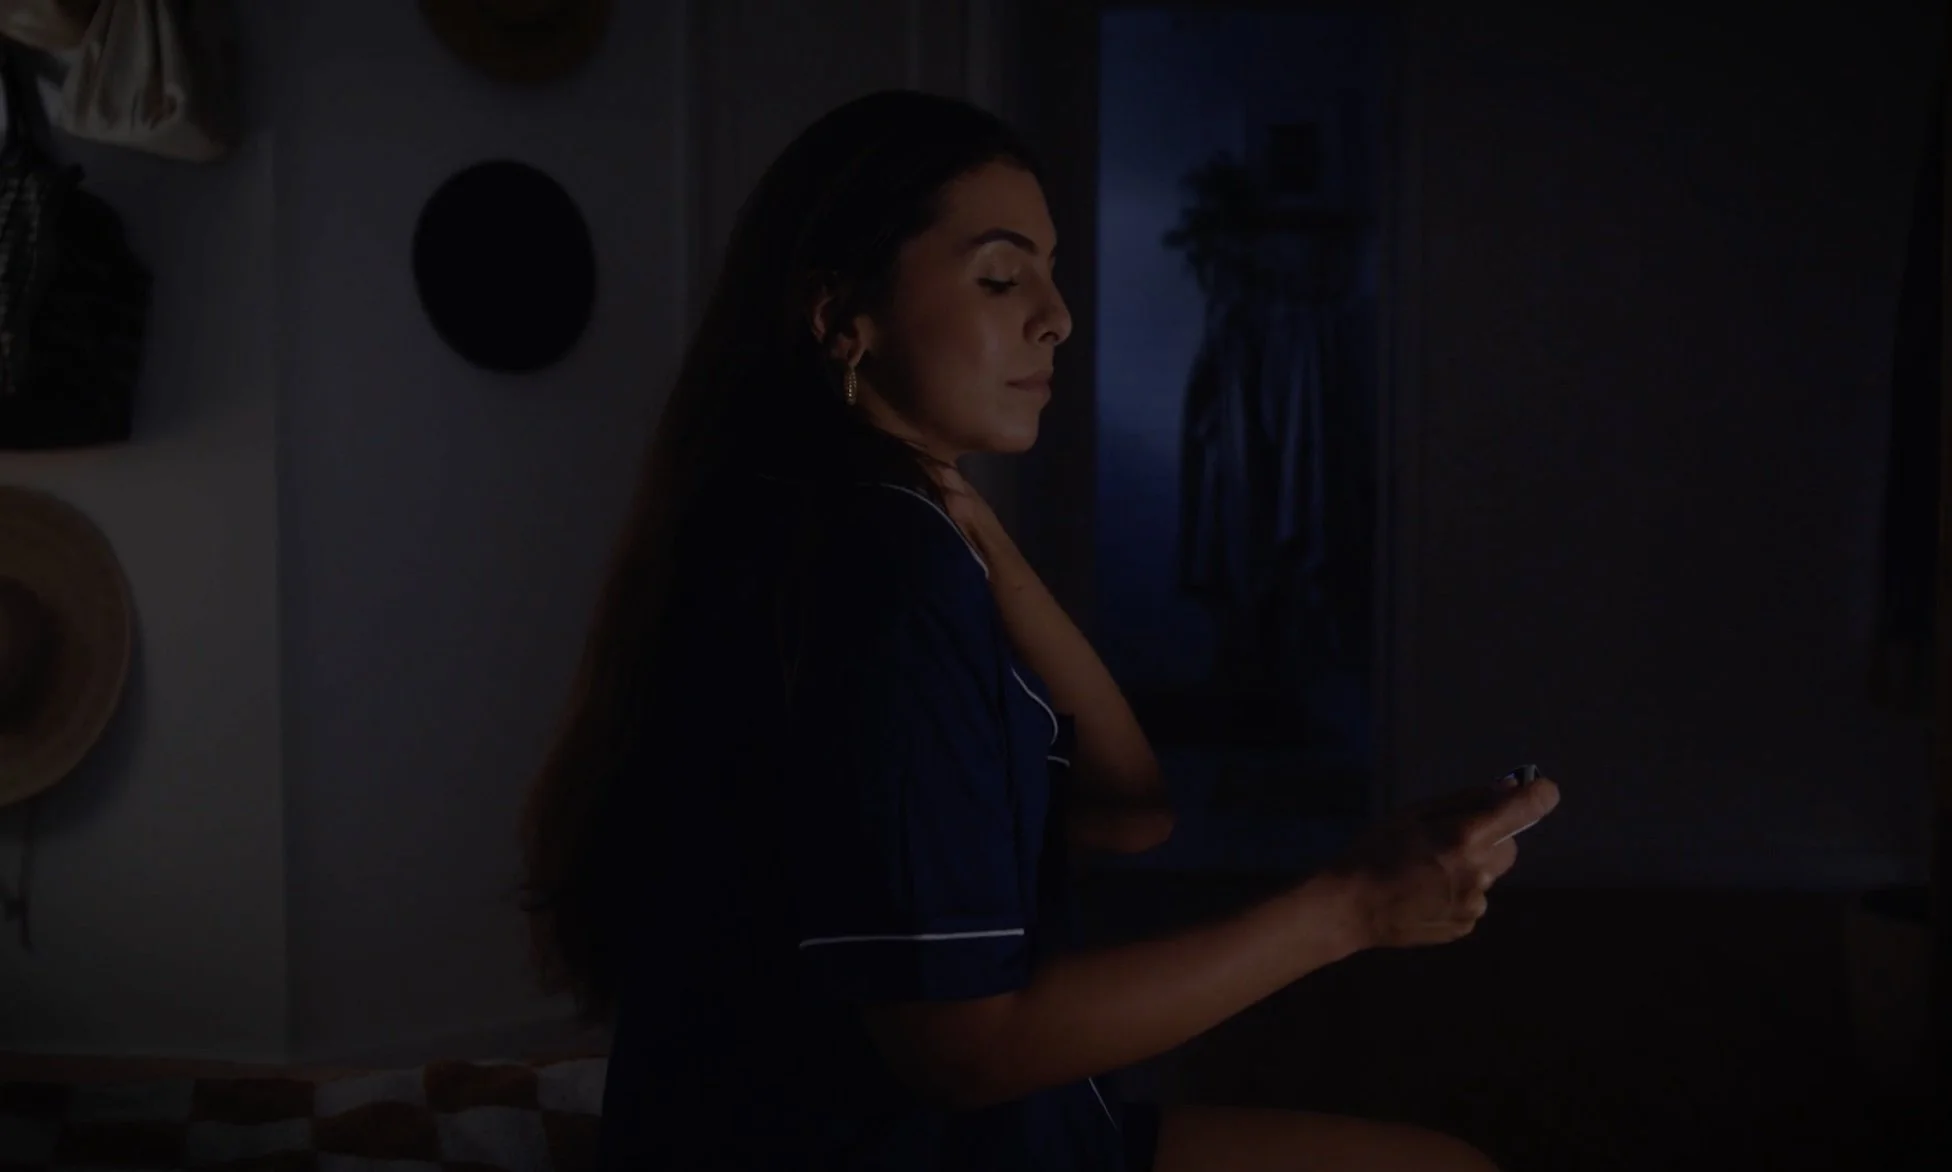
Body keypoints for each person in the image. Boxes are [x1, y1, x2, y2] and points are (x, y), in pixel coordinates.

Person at [518, 90, 1559, 1172]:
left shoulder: (897, 532)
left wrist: (990, 547)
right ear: (841, 317)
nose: (1058, 315)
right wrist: (1350, 907)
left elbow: (1131, 811)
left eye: (1051, 274)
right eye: (1003, 276)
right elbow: (963, 1044)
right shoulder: (872, 566)